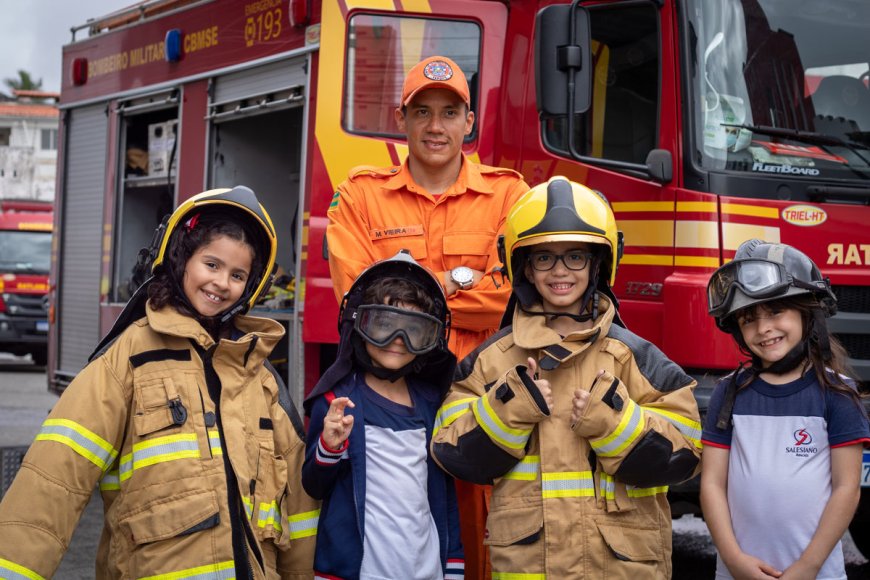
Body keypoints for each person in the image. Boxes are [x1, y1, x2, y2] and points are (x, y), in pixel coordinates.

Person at [0, 186, 318, 580]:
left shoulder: (260, 375)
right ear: (181, 259)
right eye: (212, 264)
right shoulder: (128, 358)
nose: (222, 283)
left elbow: (300, 513)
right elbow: (53, 481)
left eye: (238, 275)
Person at [430, 176, 703, 578]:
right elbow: (448, 447)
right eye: (544, 258)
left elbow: (689, 452)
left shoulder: (634, 356)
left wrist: (617, 425)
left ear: (597, 264)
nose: (560, 271)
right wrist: (505, 412)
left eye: (575, 256)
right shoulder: (492, 360)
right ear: (523, 267)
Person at [326, 54, 529, 578]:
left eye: (449, 112)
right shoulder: (359, 196)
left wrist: (418, 287)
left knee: (483, 530)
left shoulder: (509, 195)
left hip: (482, 399)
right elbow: (361, 303)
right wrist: (464, 282)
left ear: (469, 122)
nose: (435, 126)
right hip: (392, 402)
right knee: (396, 538)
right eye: (422, 112)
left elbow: (512, 300)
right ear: (402, 119)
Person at [701, 239, 870, 580]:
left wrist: (807, 568)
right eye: (748, 318)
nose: (763, 328)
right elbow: (712, 485)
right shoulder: (727, 392)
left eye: (776, 311)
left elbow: (846, 489)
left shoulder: (838, 394)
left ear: (808, 313)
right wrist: (734, 561)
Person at [302, 250, 464, 579]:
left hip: (427, 570)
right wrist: (329, 446)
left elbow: (444, 497)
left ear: (432, 338)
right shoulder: (336, 403)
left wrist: (453, 567)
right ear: (358, 324)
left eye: (413, 330)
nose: (398, 341)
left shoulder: (433, 405)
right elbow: (314, 486)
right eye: (384, 324)